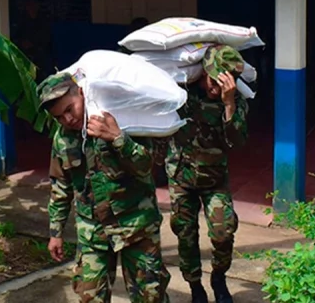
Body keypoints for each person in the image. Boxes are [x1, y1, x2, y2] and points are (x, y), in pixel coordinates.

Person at [41, 72, 172, 303]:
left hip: (136, 225)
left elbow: (147, 166)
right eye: (59, 117)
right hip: (93, 232)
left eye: (70, 109)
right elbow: (60, 188)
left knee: (151, 297)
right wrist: (56, 233)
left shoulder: (120, 117)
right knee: (89, 297)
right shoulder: (62, 139)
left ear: (81, 93)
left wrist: (118, 138)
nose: (67, 120)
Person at [166, 45, 249, 303]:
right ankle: (195, 287)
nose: (215, 88)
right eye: (213, 81)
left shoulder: (236, 101)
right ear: (203, 72)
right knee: (185, 233)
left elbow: (237, 141)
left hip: (215, 179)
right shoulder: (181, 93)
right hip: (181, 176)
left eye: (223, 83)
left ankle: (218, 277)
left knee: (223, 232)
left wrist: (228, 104)